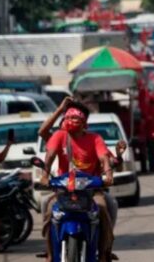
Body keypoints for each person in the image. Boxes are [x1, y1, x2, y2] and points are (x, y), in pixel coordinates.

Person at [40, 103, 114, 261]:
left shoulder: (95, 139)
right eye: (68, 119)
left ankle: (103, 253)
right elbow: (50, 155)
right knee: (47, 208)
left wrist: (108, 175)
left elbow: (104, 158)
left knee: (103, 207)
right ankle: (50, 253)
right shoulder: (59, 136)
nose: (71, 123)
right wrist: (45, 175)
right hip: (63, 190)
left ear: (84, 124)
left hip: (90, 191)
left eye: (75, 119)